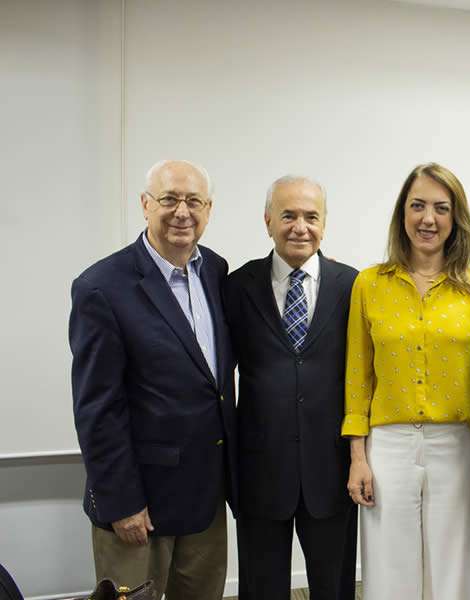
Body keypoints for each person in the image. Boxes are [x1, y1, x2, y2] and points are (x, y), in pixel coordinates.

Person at [69, 160, 237, 599]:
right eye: (169, 199)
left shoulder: (215, 271)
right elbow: (97, 407)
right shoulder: (102, 287)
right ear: (145, 205)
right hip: (138, 507)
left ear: (209, 209)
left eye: (194, 201)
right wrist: (122, 502)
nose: (182, 211)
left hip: (204, 500)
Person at [342, 163, 470, 600]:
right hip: (387, 445)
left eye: (440, 208)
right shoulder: (369, 284)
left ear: (455, 219)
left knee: (453, 568)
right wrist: (358, 456)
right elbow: (358, 376)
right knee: (389, 569)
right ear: (402, 214)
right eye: (418, 206)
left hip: (457, 445)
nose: (428, 219)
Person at [225, 176, 358, 599]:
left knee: (334, 588)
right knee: (261, 589)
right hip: (260, 473)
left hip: (332, 472)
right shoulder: (236, 287)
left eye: (310, 216)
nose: (300, 226)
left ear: (325, 223)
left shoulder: (353, 286)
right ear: (268, 222)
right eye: (288, 216)